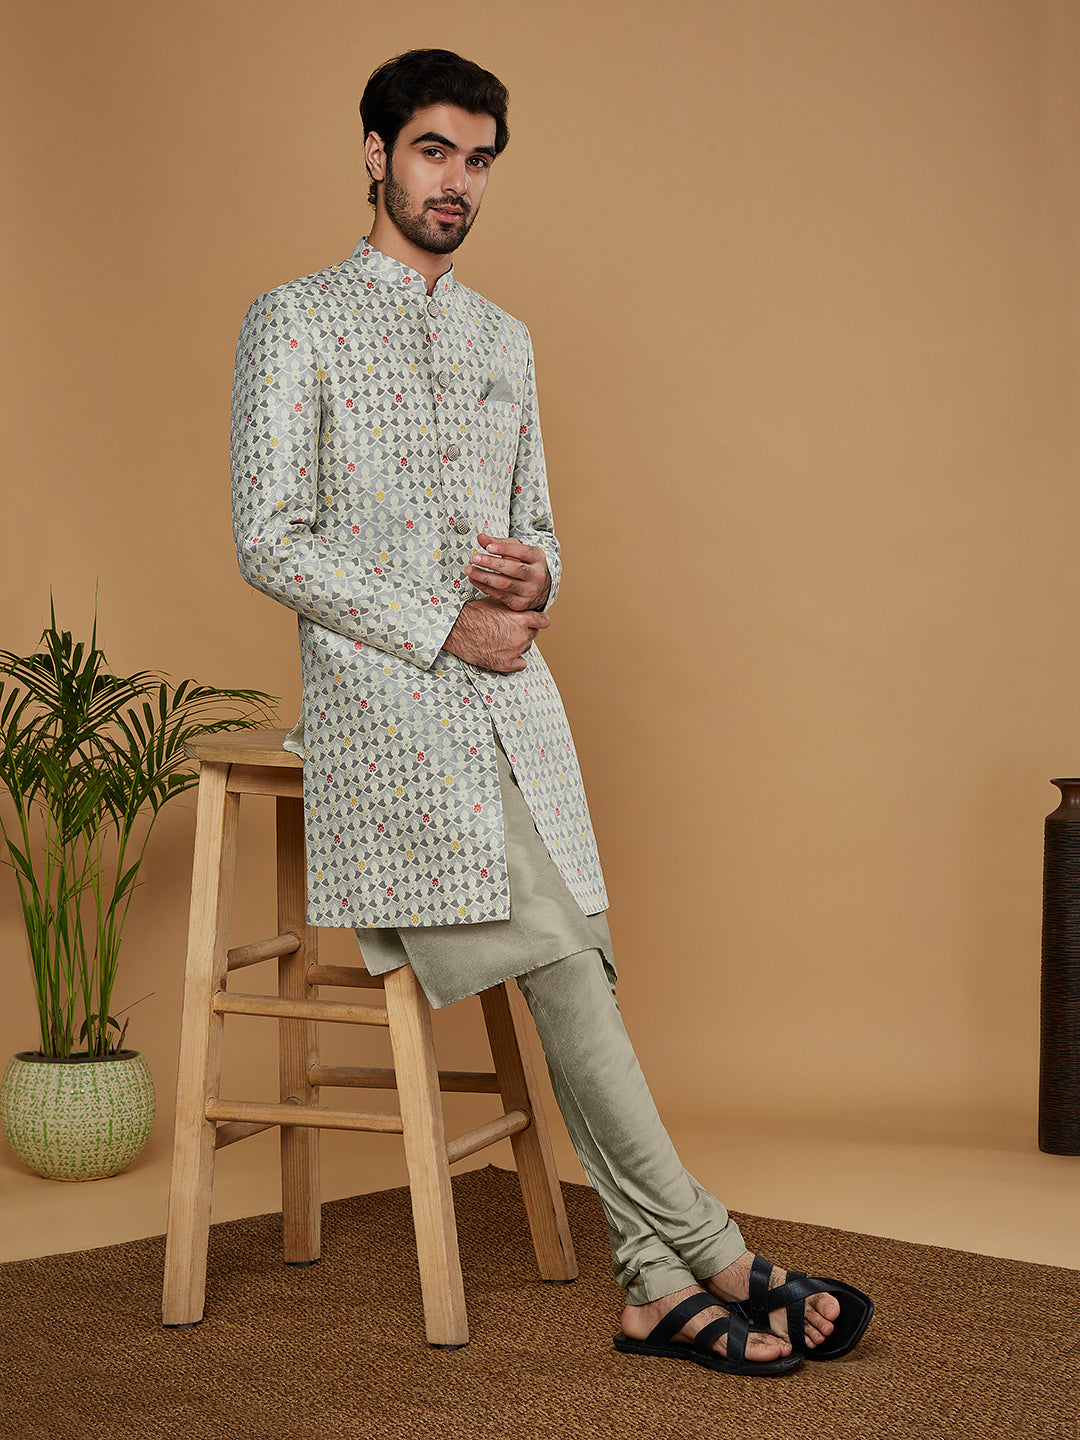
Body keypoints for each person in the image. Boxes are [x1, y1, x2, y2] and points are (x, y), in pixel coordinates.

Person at [230, 48, 872, 1376]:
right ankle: (720, 1256)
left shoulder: (502, 339)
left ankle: (652, 1288)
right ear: (375, 154)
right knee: (567, 958)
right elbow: (269, 538)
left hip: (513, 702)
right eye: (433, 152)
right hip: (386, 709)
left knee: (586, 949)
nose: (456, 183)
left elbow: (539, 530)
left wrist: (537, 579)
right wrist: (439, 625)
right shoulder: (294, 321)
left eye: (478, 161)